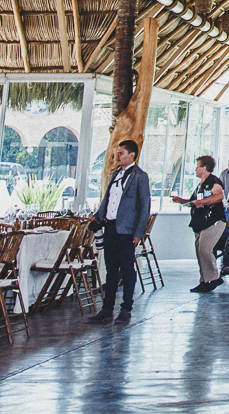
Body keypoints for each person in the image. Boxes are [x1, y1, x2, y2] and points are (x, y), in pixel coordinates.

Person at [90, 138, 150, 322]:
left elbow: (144, 206)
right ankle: (107, 308)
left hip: (126, 230)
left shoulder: (140, 176)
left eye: (121, 153)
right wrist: (97, 217)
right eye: (117, 152)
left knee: (127, 269)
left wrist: (139, 233)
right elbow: (107, 199)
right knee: (110, 269)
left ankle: (126, 308)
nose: (117, 155)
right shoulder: (115, 174)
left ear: (132, 155)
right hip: (110, 227)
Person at [177, 156, 226, 293]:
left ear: (204, 168)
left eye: (198, 166)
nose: (195, 169)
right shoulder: (200, 185)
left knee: (205, 249)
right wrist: (181, 201)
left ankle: (214, 277)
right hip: (200, 223)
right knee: (200, 251)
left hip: (213, 221)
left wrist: (202, 203)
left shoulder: (214, 181)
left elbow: (219, 196)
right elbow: (194, 202)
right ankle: (205, 280)